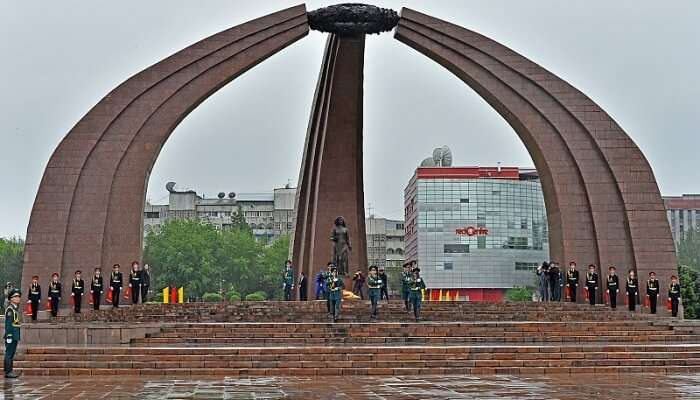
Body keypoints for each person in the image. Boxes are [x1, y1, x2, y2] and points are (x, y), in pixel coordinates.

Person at [4, 288, 21, 379]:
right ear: (11, 298)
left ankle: (9, 371)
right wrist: (9, 336)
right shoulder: (10, 310)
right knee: (9, 353)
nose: (18, 298)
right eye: (16, 297)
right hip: (11, 335)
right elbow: (8, 324)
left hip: (15, 335)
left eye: (18, 296)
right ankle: (8, 372)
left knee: (11, 353)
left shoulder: (14, 309)